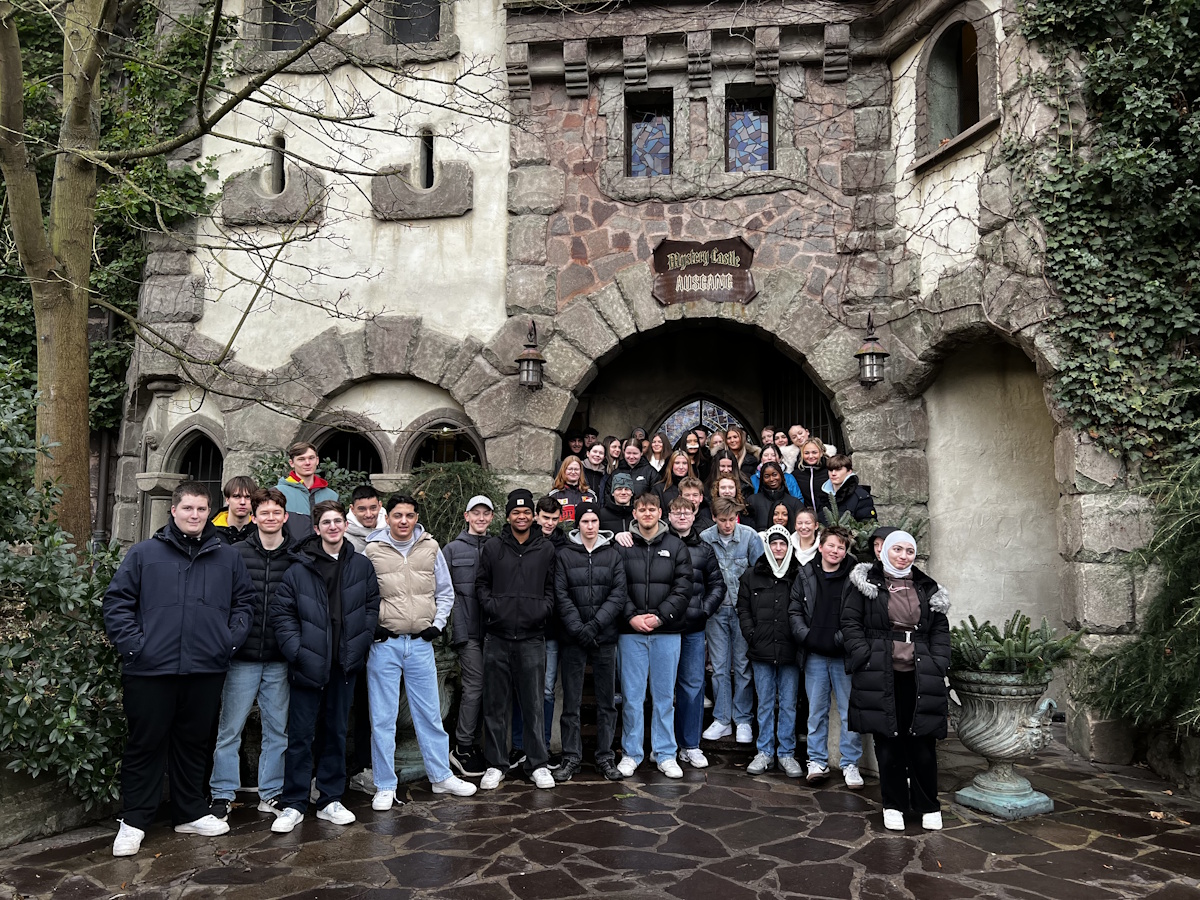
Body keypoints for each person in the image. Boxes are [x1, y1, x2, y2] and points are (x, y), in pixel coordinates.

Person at [103, 481, 256, 857]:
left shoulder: (227, 557)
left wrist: (226, 642)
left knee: (194, 744)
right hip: (151, 669)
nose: (194, 515)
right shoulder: (144, 553)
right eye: (187, 508)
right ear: (173, 510)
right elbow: (117, 602)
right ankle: (134, 820)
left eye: (201, 509)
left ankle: (189, 812)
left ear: (210, 512)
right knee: (146, 744)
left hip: (205, 668)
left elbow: (244, 603)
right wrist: (136, 646)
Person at [269, 500, 380, 834]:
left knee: (336, 732)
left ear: (345, 525)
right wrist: (297, 651)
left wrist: (361, 642)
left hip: (344, 664)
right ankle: (294, 803)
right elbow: (282, 614)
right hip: (308, 663)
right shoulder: (299, 568)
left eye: (338, 521)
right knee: (301, 735)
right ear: (317, 529)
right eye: (326, 522)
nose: (333, 527)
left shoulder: (361, 565)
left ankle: (330, 799)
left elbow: (371, 606)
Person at [363, 495, 477, 811]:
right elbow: (360, 595)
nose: (404, 521)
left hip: (420, 644)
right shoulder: (372, 550)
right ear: (387, 517)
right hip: (385, 645)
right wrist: (373, 627)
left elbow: (445, 592)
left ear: (416, 518)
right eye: (398, 515)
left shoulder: (430, 547)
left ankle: (441, 776)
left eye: (410, 515)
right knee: (383, 718)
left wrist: (437, 625)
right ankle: (385, 785)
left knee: (429, 714)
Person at [841, 531, 951, 832]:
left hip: (920, 673)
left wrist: (939, 661)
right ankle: (894, 805)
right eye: (898, 549)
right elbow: (850, 623)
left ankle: (928, 805)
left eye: (909, 551)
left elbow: (940, 629)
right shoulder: (866, 584)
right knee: (888, 742)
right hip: (880, 672)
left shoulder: (927, 587)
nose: (904, 556)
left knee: (923, 741)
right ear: (885, 551)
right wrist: (864, 655)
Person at [209, 488, 294, 822]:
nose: (270, 518)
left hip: (278, 657)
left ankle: (271, 793)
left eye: (276, 512)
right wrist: (229, 640)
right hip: (241, 657)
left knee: (278, 731)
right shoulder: (234, 554)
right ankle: (222, 793)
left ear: (285, 517)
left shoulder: (296, 556)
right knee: (230, 729)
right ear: (254, 518)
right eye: (264, 513)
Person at [476, 490, 558, 791]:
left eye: (526, 512)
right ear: (508, 515)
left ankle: (537, 764)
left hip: (532, 638)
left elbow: (552, 588)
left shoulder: (545, 548)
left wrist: (542, 610)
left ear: (533, 515)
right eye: (515, 512)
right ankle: (496, 764)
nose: (521, 517)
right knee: (495, 704)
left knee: (534, 704)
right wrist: (494, 608)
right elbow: (481, 584)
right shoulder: (493, 547)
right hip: (497, 637)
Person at [615, 492, 691, 778]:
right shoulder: (622, 546)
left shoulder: (676, 546)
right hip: (630, 632)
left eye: (652, 509)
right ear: (634, 513)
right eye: (642, 509)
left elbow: (683, 587)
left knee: (664, 697)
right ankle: (631, 753)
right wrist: (631, 616)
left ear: (661, 513)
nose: (647, 513)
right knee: (632, 697)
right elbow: (615, 586)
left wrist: (660, 617)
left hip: (666, 632)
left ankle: (665, 753)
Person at [553, 501, 628, 782]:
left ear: (600, 524)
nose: (590, 526)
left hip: (604, 637)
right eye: (585, 521)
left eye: (594, 521)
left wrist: (595, 625)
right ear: (578, 525)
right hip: (573, 638)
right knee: (571, 703)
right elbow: (561, 594)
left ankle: (605, 756)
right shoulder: (564, 555)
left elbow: (618, 594)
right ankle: (571, 757)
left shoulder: (612, 555)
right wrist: (578, 628)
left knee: (606, 702)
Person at [790, 526, 863, 788]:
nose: (835, 551)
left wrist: (839, 639)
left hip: (844, 656)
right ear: (820, 547)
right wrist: (807, 637)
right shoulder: (806, 573)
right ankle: (816, 761)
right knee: (816, 712)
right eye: (831, 545)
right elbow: (794, 610)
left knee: (848, 712)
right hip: (815, 655)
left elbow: (859, 616)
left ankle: (850, 763)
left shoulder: (854, 577)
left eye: (841, 547)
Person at [736, 525, 802, 777]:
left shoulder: (798, 574)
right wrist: (751, 634)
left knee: (788, 704)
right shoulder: (752, 575)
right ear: (767, 546)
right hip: (761, 648)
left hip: (790, 649)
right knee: (764, 703)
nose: (778, 548)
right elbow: (743, 608)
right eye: (773, 543)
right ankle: (764, 751)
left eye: (782, 543)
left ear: (789, 546)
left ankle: (786, 753)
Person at [664, 495, 723, 768]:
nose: (682, 516)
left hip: (693, 628)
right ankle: (665, 746)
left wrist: (704, 610)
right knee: (664, 690)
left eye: (686, 512)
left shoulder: (705, 549)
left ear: (694, 514)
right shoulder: (660, 544)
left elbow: (717, 585)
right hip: (664, 628)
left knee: (692, 686)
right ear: (669, 516)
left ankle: (690, 744)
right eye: (677, 512)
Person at [700, 497, 764, 744]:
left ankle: (743, 719)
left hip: (742, 611)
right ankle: (722, 718)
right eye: (723, 520)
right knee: (719, 667)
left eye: (731, 520)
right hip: (716, 612)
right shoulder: (706, 538)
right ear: (714, 518)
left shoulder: (749, 537)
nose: (728, 525)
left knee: (742, 666)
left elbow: (760, 573)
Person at [444, 495, 495, 777]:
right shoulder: (451, 550)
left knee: (490, 687)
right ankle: (462, 746)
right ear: (467, 516)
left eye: (486, 513)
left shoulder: (497, 547)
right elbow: (445, 592)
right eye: (476, 513)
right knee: (474, 687)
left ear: (491, 517)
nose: (481, 518)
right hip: (468, 632)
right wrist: (458, 630)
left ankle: (477, 744)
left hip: (494, 631)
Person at [276, 441, 339, 542]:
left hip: (323, 551)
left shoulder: (332, 496)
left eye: (311, 458)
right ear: (291, 463)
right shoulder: (278, 492)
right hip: (289, 551)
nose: (307, 463)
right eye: (301, 459)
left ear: (317, 460)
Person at [821, 454, 878, 525]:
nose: (833, 473)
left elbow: (868, 526)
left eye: (838, 469)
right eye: (830, 470)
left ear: (849, 471)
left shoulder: (861, 496)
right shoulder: (822, 495)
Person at [748, 462, 804, 532]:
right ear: (762, 479)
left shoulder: (795, 503)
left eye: (774, 475)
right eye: (767, 476)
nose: (771, 479)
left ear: (781, 476)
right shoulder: (752, 501)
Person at [548, 456, 597, 525]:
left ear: (581, 472)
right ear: (564, 471)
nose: (573, 472)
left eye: (576, 469)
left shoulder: (591, 495)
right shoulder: (554, 495)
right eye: (570, 469)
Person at [211, 476, 257, 544]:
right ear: (227, 500)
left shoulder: (260, 530)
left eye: (248, 497)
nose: (242, 502)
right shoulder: (210, 531)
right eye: (237, 496)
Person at [346, 485, 386, 552]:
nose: (368, 515)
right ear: (352, 509)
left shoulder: (392, 531)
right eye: (362, 509)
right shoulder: (342, 538)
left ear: (380, 506)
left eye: (373, 508)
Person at [793, 439, 828, 511]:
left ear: (821, 453)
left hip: (827, 516)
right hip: (804, 516)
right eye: (806, 453)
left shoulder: (830, 472)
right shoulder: (796, 474)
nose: (810, 456)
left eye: (814, 452)